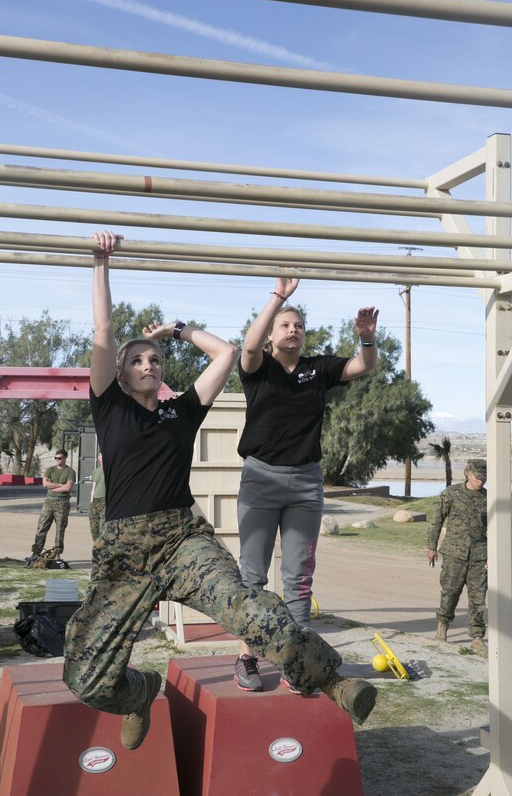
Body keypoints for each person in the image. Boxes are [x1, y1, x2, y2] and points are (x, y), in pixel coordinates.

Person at [63, 231, 377, 753]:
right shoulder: (109, 406)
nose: (148, 365)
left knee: (251, 607)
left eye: (155, 360)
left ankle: (330, 681)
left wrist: (178, 331)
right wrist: (100, 263)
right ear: (119, 372)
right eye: (137, 360)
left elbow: (228, 352)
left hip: (183, 540)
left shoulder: (180, 411)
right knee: (86, 675)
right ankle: (140, 692)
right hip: (124, 553)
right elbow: (103, 329)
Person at [234, 279, 379, 693]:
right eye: (285, 325)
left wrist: (367, 339)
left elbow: (363, 366)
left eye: (298, 325)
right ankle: (247, 657)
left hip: (305, 484)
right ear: (272, 334)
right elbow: (247, 346)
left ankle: (299, 663)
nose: (293, 330)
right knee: (252, 578)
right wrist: (278, 299)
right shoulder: (258, 367)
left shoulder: (319, 369)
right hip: (260, 478)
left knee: (298, 578)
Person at [427, 459, 488, 656]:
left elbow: (494, 528)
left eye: (484, 478)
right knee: (450, 592)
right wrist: (432, 546)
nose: (481, 481)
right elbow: (436, 520)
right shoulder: (451, 494)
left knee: (478, 597)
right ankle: (442, 626)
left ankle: (477, 637)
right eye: (478, 477)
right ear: (468, 474)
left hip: (479, 555)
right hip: (454, 553)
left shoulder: (488, 498)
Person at [26, 448, 76, 563]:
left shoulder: (70, 471)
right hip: (49, 502)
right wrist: (60, 485)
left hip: (62, 503)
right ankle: (36, 552)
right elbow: (45, 484)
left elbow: (68, 488)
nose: (57, 460)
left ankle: (57, 554)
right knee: (42, 527)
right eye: (56, 458)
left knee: (60, 529)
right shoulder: (50, 470)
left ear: (65, 458)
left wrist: (53, 487)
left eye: (60, 458)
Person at [89, 451, 106, 541]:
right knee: (94, 528)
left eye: (104, 455)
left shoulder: (111, 470)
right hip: (95, 501)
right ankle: (96, 548)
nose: (102, 457)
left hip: (105, 501)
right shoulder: (96, 471)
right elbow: (94, 487)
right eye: (100, 455)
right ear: (98, 458)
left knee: (103, 528)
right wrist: (91, 501)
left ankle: (103, 548)